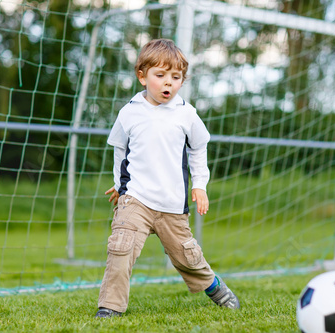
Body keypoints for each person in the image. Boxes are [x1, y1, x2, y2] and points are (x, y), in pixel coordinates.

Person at [95, 39, 240, 318]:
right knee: (120, 248)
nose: (168, 83)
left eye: (175, 78)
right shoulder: (129, 112)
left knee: (187, 257)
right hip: (135, 198)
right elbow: (120, 150)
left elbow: (199, 148)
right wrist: (119, 184)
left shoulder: (187, 114)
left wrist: (199, 185)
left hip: (172, 203)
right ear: (142, 76)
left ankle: (214, 286)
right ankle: (110, 307)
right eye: (160, 75)